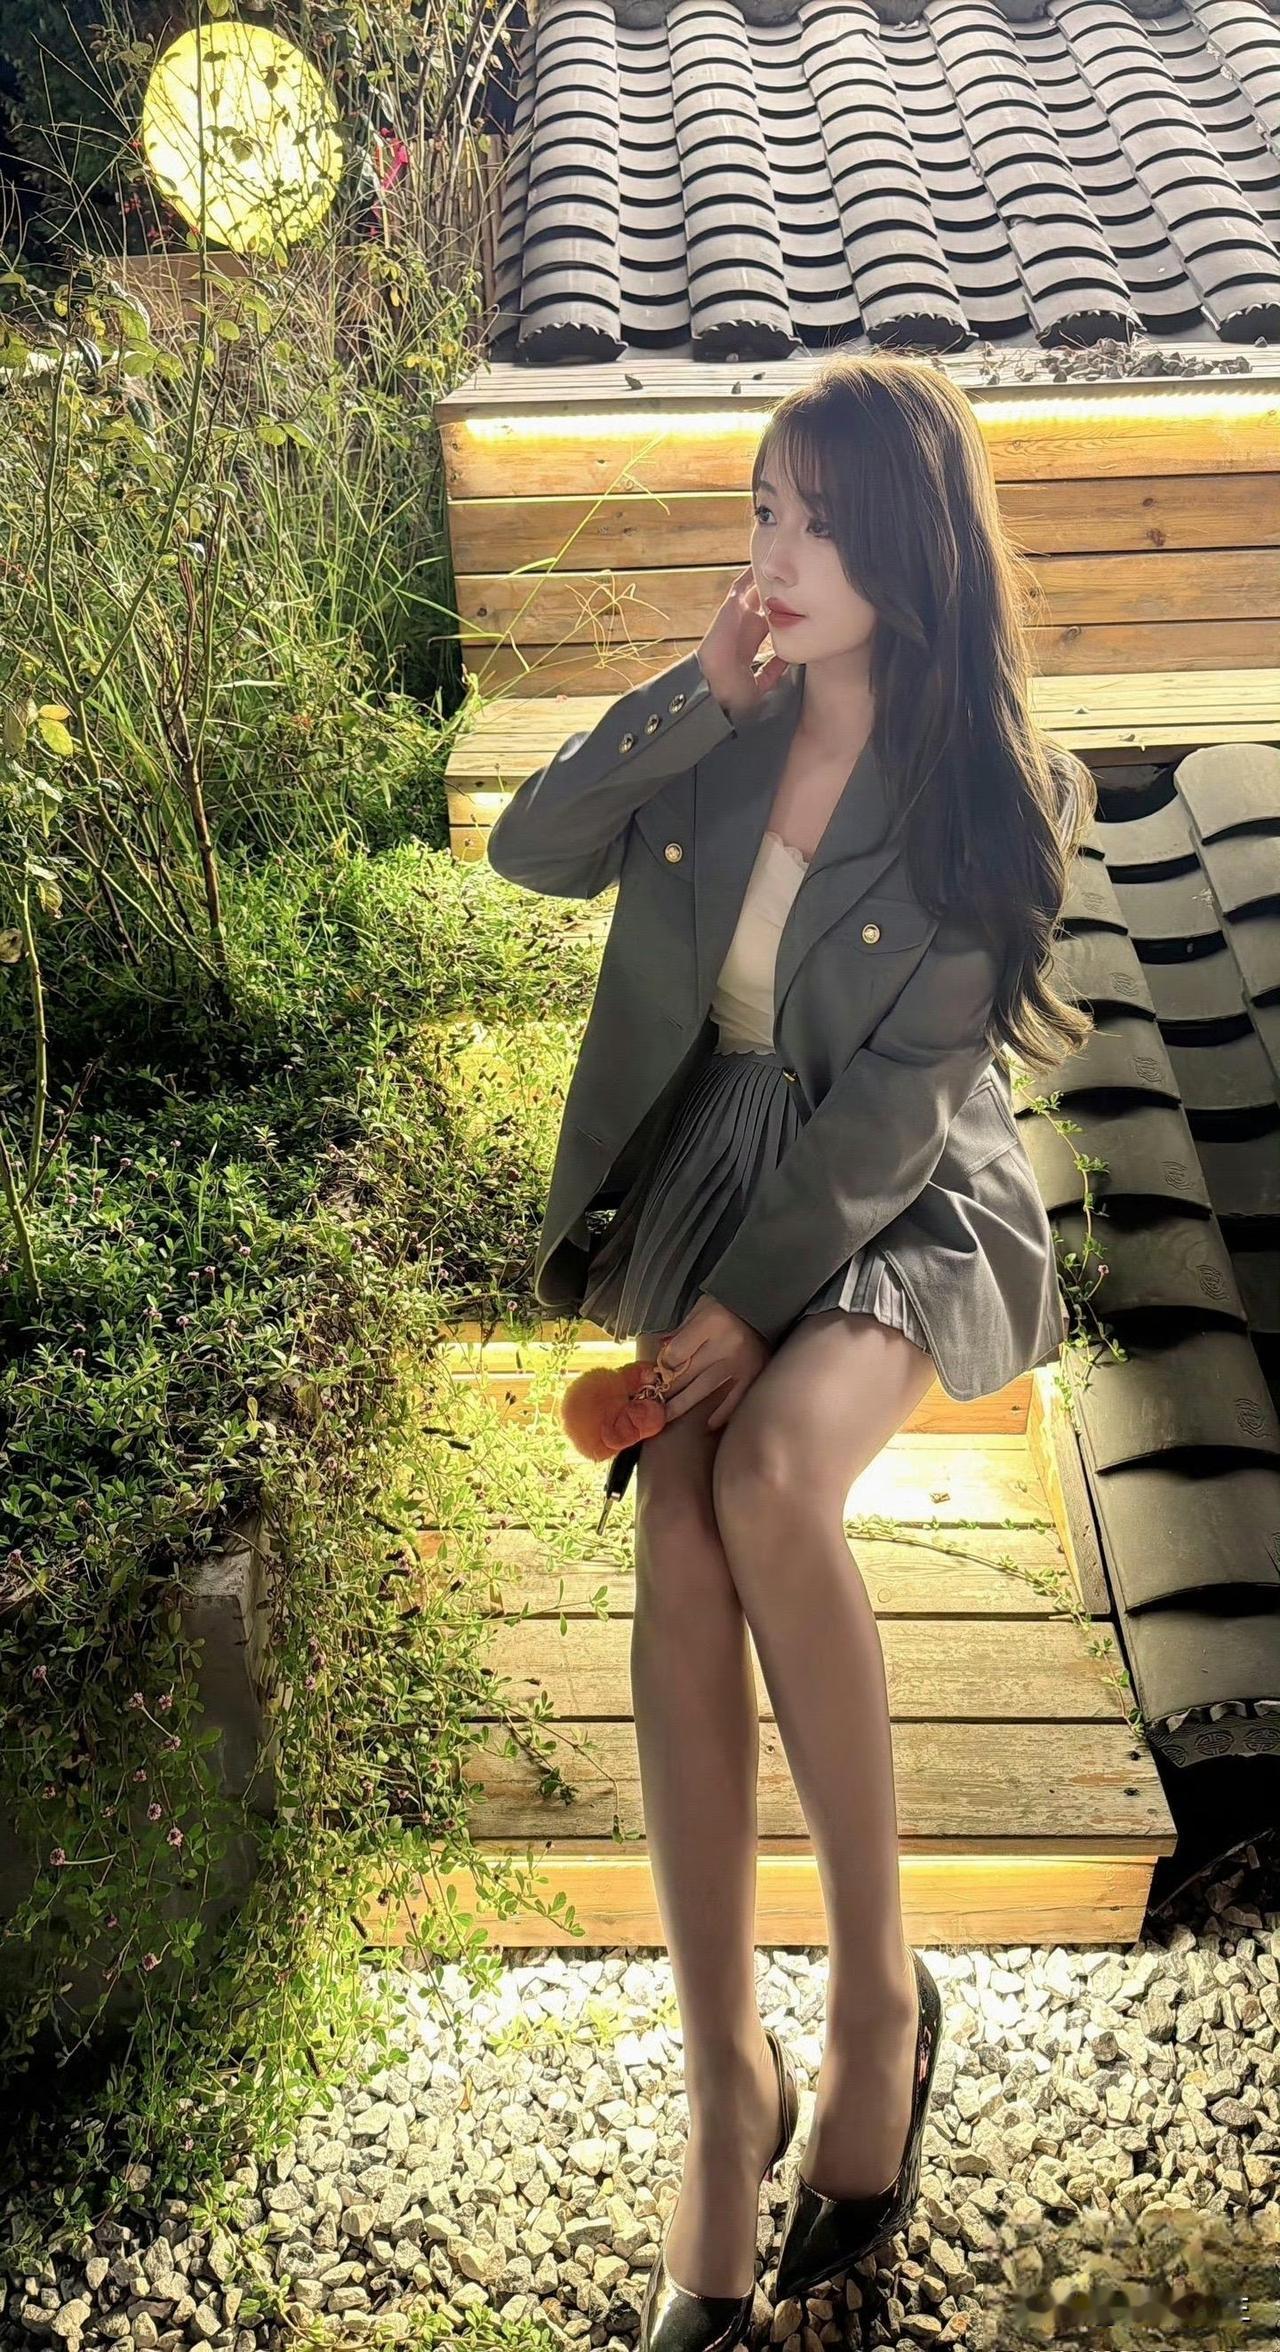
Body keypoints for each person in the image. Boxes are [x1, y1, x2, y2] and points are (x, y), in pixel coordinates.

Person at [488, 352, 1095, 2351]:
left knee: (763, 1479)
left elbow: (895, 1117)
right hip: (713, 1167)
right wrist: (696, 695)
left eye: (819, 522)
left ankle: (873, 2002)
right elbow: (530, 853)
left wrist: (750, 1314)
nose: (778, 553)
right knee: (678, 1529)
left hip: (895, 1189)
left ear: (908, 551)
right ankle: (720, 2085)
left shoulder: (987, 799)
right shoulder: (721, 731)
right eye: (765, 510)